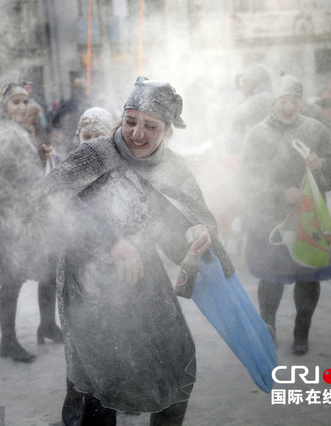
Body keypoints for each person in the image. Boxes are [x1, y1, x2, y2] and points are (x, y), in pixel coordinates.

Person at [39, 77, 235, 425]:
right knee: (100, 380)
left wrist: (199, 233)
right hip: (89, 279)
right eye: (131, 121)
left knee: (177, 364)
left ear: (167, 130)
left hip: (143, 272)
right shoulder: (97, 153)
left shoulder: (172, 166)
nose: (137, 134)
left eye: (150, 126)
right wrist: (110, 240)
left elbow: (195, 218)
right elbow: (49, 195)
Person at [237, 75, 331, 356]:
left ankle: (301, 331)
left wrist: (321, 163)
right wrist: (280, 193)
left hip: (308, 217)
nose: (288, 107)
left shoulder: (314, 129)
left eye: (294, 101)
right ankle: (267, 327)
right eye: (283, 101)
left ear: (301, 101)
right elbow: (246, 178)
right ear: (274, 102)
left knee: (308, 276)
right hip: (269, 216)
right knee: (271, 276)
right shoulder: (258, 133)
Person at [0, 82, 62, 363]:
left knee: (49, 271)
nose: (23, 107)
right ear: (3, 107)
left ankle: (47, 324)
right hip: (16, 220)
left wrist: (41, 156)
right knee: (12, 281)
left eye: (25, 101)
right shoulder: (2, 135)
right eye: (15, 102)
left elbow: (27, 172)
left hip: (37, 216)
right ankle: (7, 341)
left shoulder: (23, 130)